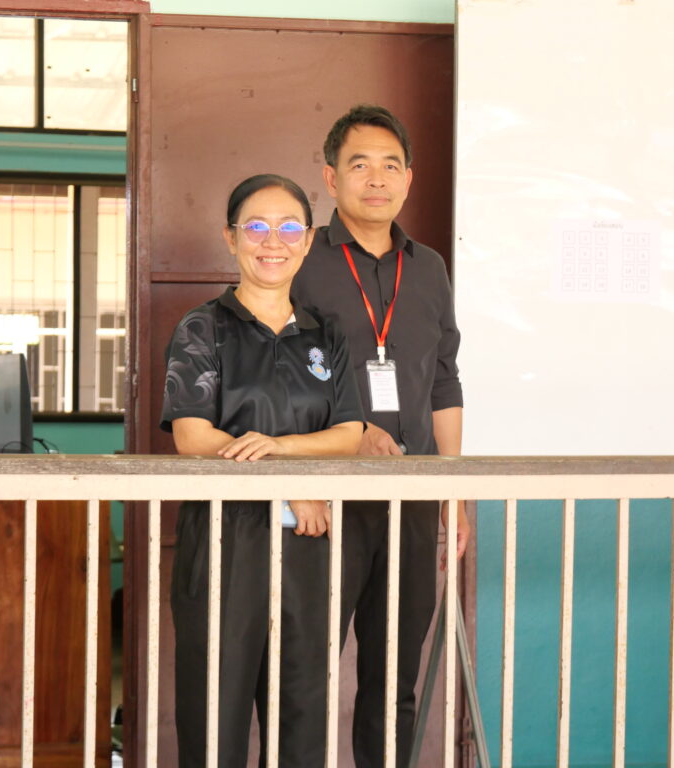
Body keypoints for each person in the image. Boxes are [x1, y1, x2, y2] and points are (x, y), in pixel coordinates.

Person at [160, 174, 365, 768]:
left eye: (289, 227)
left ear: (308, 241)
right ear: (230, 238)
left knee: (303, 720)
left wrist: (281, 456)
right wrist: (291, 483)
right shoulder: (203, 328)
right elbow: (194, 436)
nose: (272, 241)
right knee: (215, 718)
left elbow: (348, 435)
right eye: (255, 226)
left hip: (310, 543)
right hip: (225, 543)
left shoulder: (326, 332)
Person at [291, 104, 469, 768]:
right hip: (324, 503)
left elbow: (443, 379)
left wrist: (454, 489)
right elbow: (278, 375)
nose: (376, 179)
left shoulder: (429, 269)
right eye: (359, 164)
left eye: (390, 166)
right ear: (330, 177)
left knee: (395, 681)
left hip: (410, 502)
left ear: (408, 179)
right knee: (303, 674)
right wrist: (351, 431)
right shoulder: (301, 258)